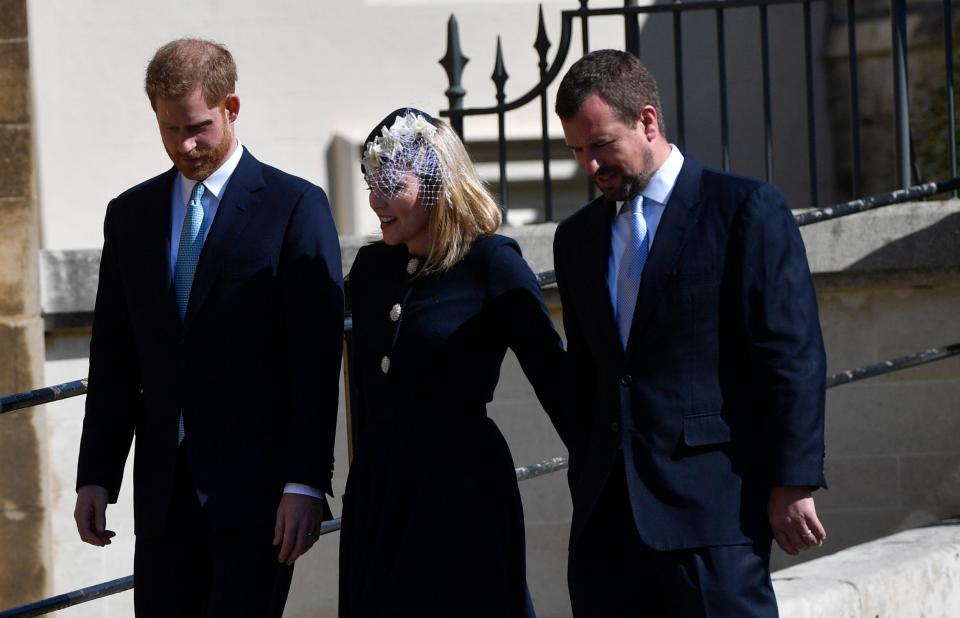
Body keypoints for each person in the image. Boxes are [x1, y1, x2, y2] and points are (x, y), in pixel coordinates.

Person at [73, 38, 344, 617]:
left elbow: (316, 361)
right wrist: (96, 475)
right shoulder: (131, 215)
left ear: (232, 108)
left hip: (260, 497)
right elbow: (115, 356)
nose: (184, 145)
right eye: (168, 130)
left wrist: (304, 484)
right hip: (163, 499)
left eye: (197, 127)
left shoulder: (295, 206)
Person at [552, 49, 827, 617]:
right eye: (577, 152)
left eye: (601, 146)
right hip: (608, 524)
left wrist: (791, 481)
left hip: (714, 513)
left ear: (647, 121)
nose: (591, 167)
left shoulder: (744, 210)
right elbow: (589, 374)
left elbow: (790, 355)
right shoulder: (576, 240)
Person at [339, 107, 569, 617]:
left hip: (460, 493)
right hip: (379, 491)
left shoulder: (493, 263)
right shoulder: (373, 269)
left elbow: (556, 379)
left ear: (436, 181)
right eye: (369, 185)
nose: (375, 202)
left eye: (389, 185)